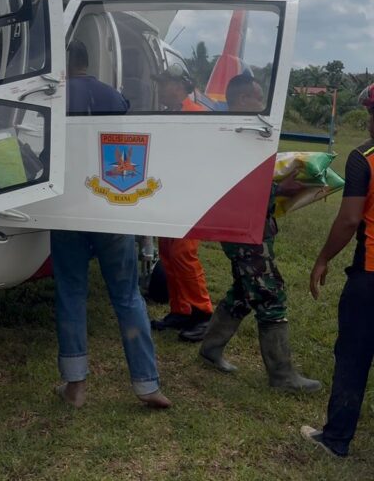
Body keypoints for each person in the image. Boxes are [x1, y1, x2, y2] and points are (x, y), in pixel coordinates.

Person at [50, 40, 171, 409]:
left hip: (67, 205)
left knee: (71, 291)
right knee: (127, 294)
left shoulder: (54, 95)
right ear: (88, 63)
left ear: (63, 63)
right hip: (111, 201)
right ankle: (147, 385)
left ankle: (75, 386)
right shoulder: (114, 96)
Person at [199, 72, 321, 392]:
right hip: (243, 229)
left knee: (244, 289)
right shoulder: (235, 136)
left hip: (247, 227)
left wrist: (278, 185)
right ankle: (282, 376)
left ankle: (210, 348)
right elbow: (238, 190)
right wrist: (281, 189)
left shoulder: (238, 132)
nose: (262, 102)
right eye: (257, 97)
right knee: (270, 292)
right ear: (242, 99)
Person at [301, 83, 374, 457]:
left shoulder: (364, 157)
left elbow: (349, 220)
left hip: (370, 275)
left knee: (354, 354)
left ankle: (336, 439)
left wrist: (322, 258)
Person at [150, 65, 214, 341]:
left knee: (183, 253)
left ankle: (203, 313)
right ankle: (181, 309)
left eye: (163, 83)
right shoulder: (168, 115)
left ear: (178, 86)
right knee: (167, 251)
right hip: (169, 193)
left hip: (191, 195)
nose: (160, 88)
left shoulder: (199, 117)